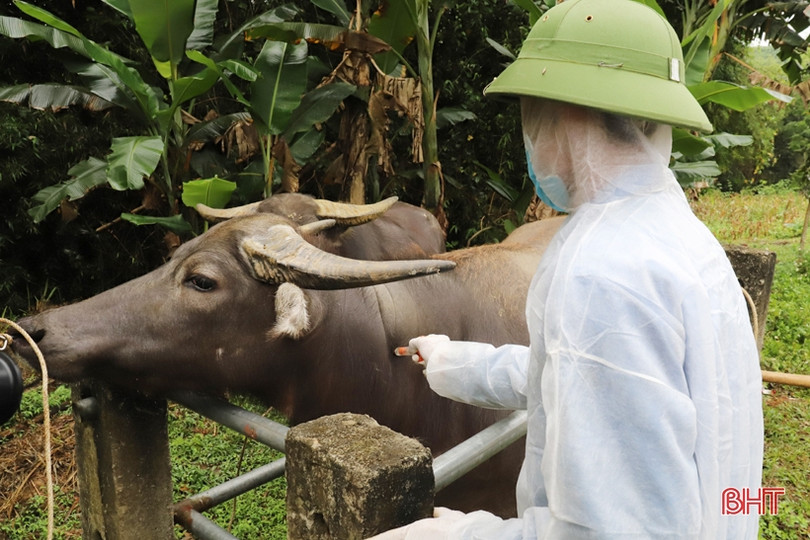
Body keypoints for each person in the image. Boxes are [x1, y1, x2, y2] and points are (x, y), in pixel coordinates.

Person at [369, 0, 764, 538]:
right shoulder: (672, 232)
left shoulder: (601, 272)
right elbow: (592, 373)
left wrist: (459, 534)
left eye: (533, 110)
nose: (530, 132)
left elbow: (608, 531)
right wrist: (455, 362)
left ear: (570, 112)